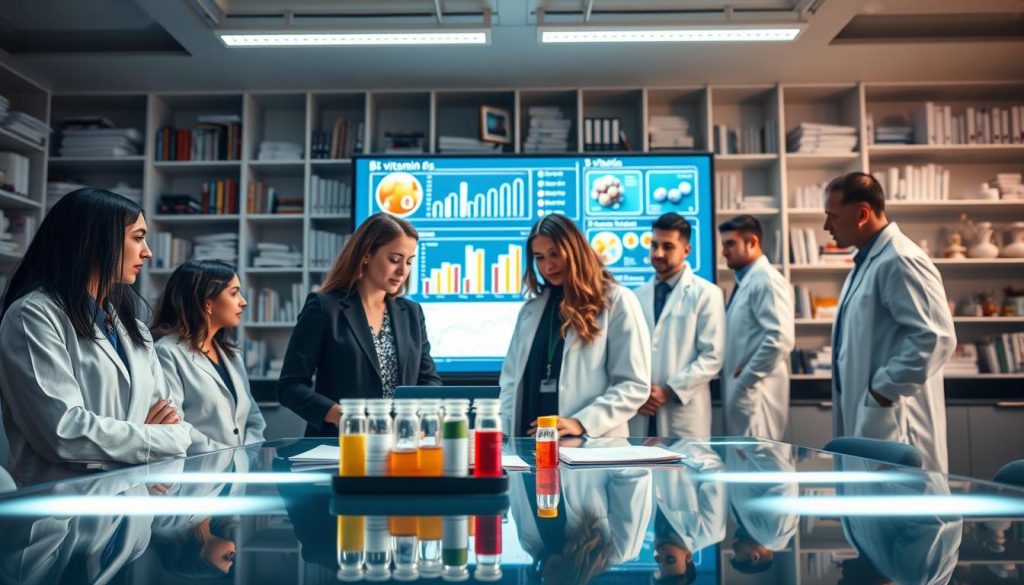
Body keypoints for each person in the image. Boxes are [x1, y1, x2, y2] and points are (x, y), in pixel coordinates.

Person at [0, 188, 190, 486]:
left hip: (133, 498)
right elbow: (63, 433)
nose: (147, 252)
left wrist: (125, 441)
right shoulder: (32, 315)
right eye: (138, 238)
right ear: (96, 240)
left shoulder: (135, 329)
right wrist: (153, 439)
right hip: (63, 504)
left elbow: (177, 430)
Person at [824, 172, 956, 473]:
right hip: (871, 411)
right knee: (872, 494)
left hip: (895, 416)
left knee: (904, 496)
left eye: (832, 217)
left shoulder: (900, 259)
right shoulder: (867, 262)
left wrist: (882, 391)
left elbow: (935, 337)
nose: (827, 227)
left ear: (862, 214)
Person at [277, 212, 441, 437]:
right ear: (366, 255)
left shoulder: (411, 313)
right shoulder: (324, 307)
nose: (403, 271)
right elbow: (290, 387)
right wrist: (341, 415)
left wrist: (418, 417)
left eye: (409, 261)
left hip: (401, 443)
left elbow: (429, 380)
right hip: (340, 443)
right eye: (394, 260)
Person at [499, 214, 650, 438]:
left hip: (588, 442)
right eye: (539, 257)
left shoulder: (616, 301)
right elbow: (510, 383)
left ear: (574, 250)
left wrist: (581, 423)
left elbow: (634, 384)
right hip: (530, 440)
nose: (548, 265)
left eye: (555, 254)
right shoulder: (531, 310)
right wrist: (503, 432)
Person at [152, 260, 266, 454]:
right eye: (234, 293)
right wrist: (228, 455)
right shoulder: (167, 352)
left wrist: (246, 455)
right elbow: (174, 425)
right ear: (207, 303)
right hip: (199, 467)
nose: (243, 301)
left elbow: (254, 420)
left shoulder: (232, 356)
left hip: (240, 468)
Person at [628, 213, 724, 438]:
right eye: (654, 245)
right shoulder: (636, 296)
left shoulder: (707, 294)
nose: (658, 253)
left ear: (686, 250)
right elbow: (627, 353)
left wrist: (668, 391)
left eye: (668, 247)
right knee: (640, 459)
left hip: (681, 409)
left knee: (684, 461)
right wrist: (638, 393)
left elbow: (712, 356)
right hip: (641, 407)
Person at [718, 215, 794, 441]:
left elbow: (780, 339)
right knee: (744, 456)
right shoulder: (747, 280)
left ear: (752, 242)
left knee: (758, 456)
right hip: (746, 395)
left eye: (730, 244)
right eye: (723, 244)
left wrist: (746, 380)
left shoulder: (766, 280)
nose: (724, 252)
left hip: (758, 395)